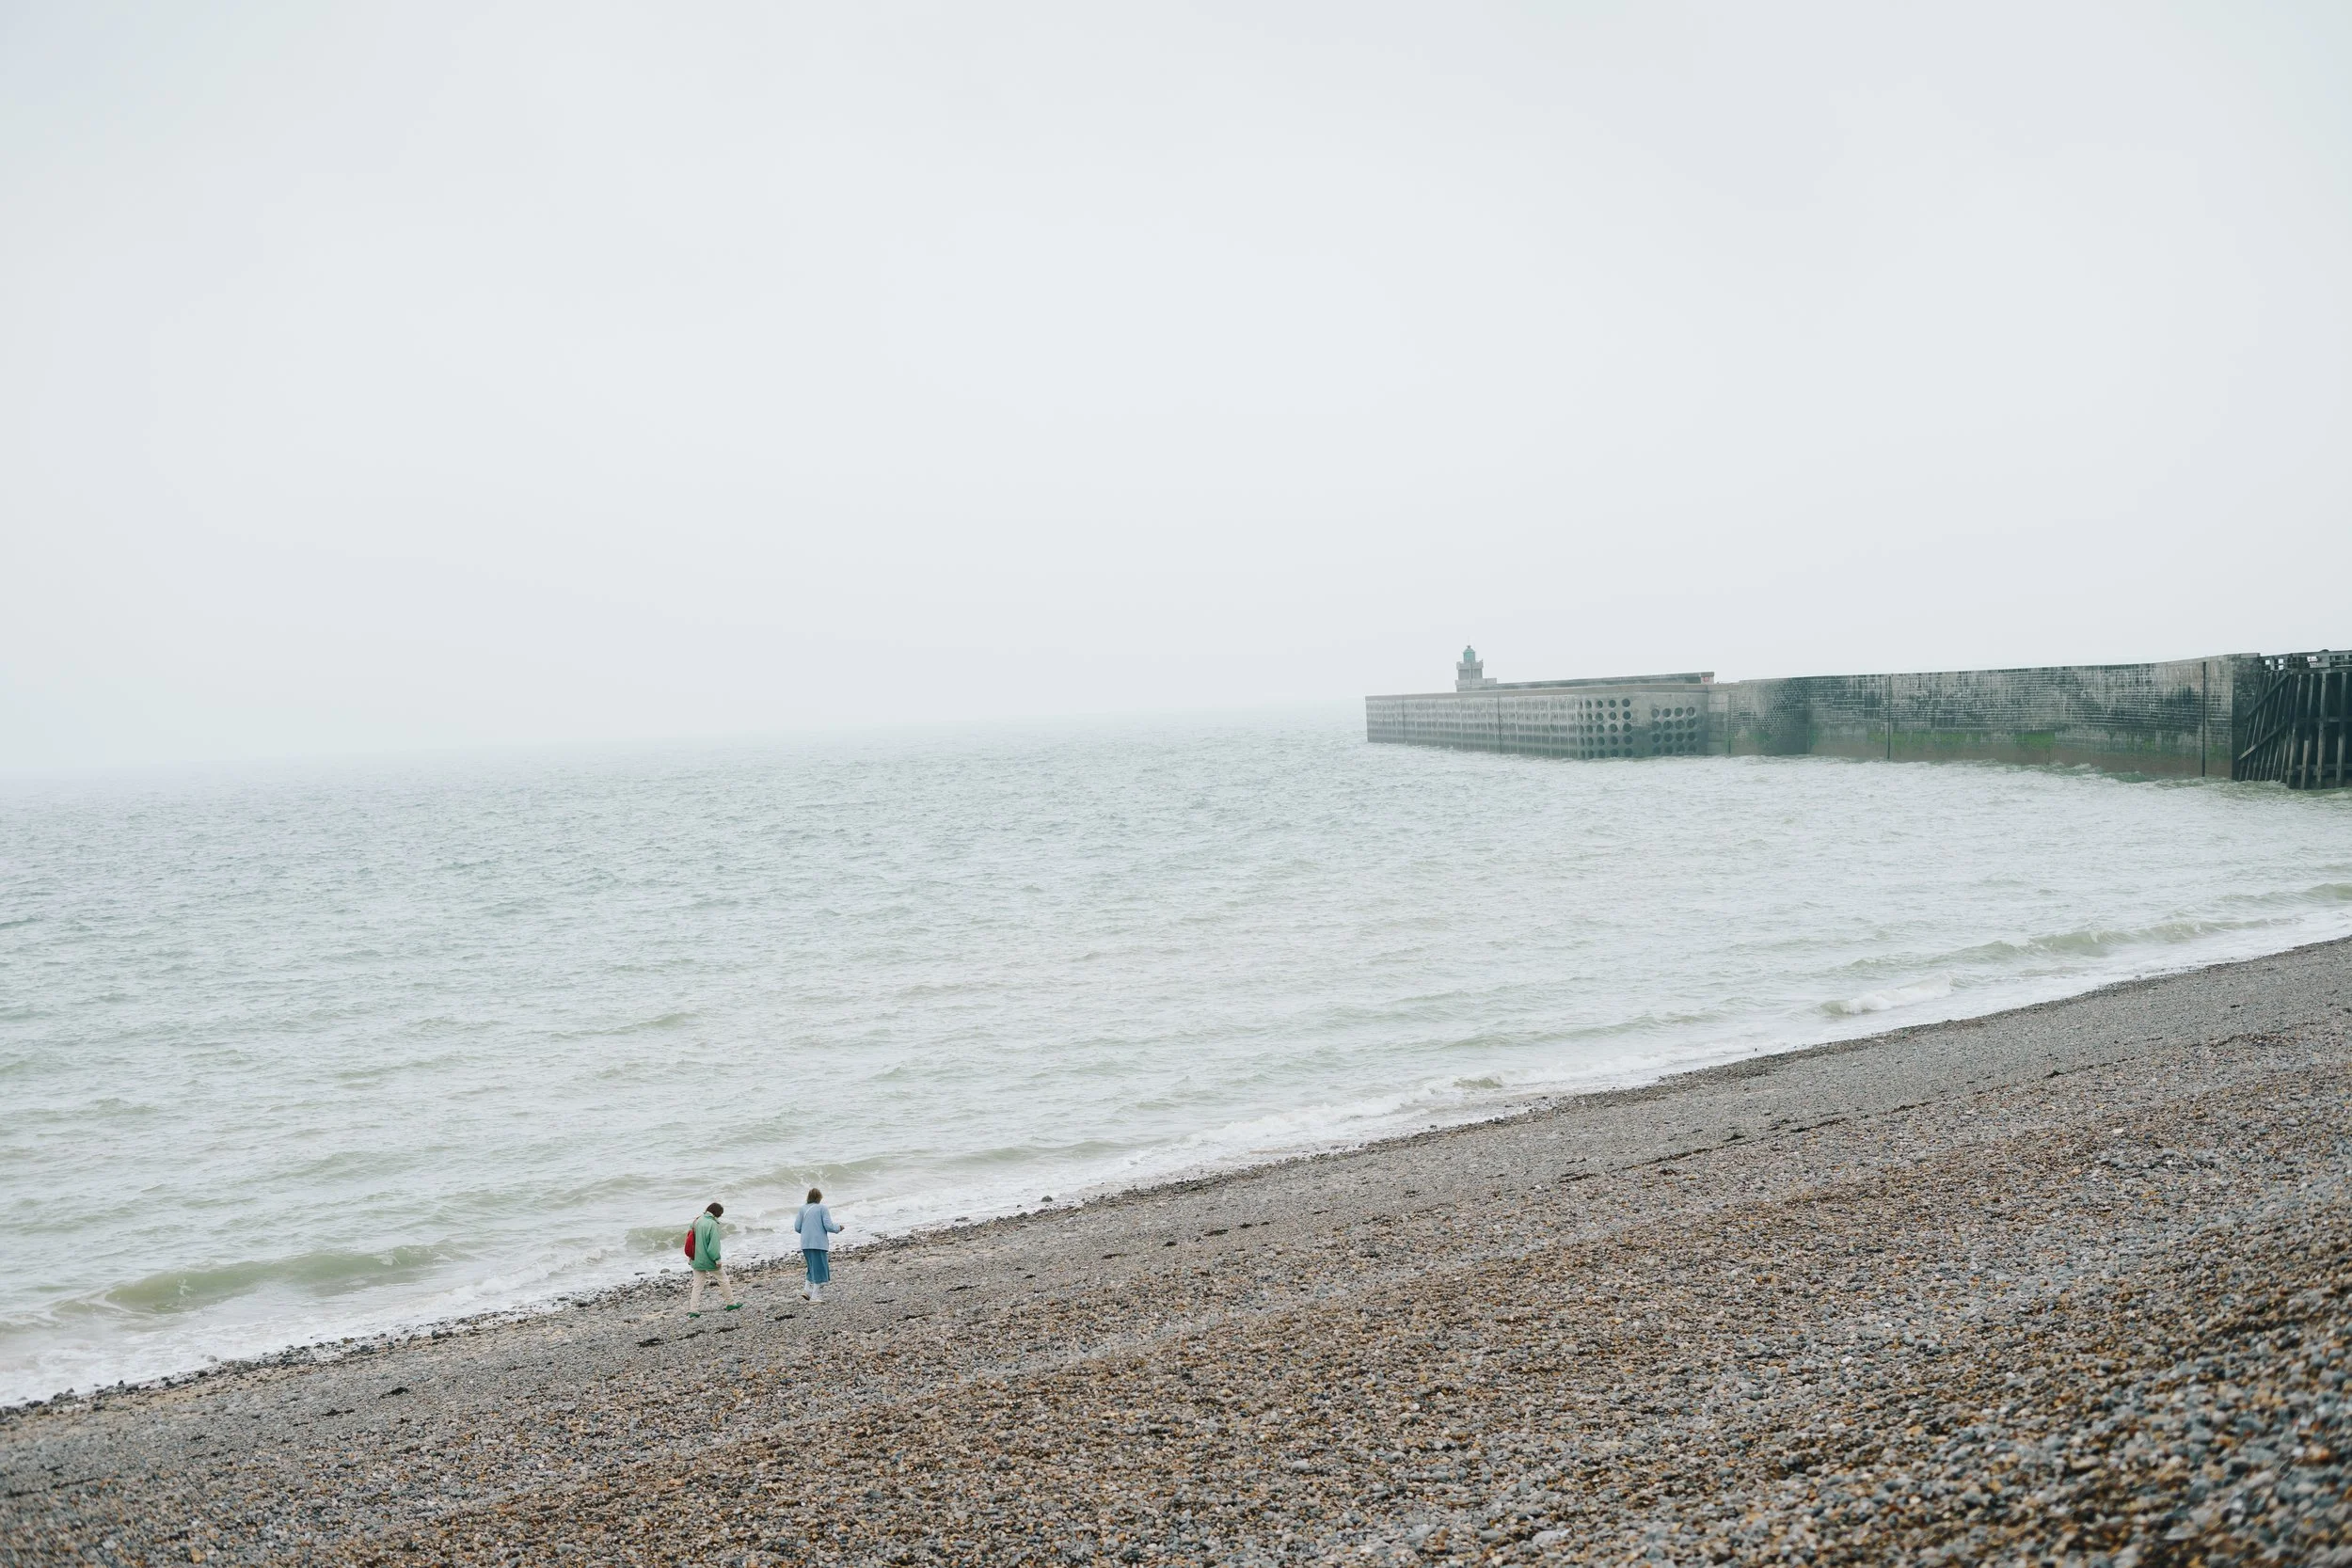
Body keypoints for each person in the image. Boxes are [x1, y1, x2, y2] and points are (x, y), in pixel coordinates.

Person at [687, 1201, 739, 1316]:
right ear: (718, 1213)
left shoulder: (697, 1220)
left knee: (697, 1285)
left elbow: (690, 1240)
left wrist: (690, 1256)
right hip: (709, 1260)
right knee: (723, 1279)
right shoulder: (712, 1224)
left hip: (696, 1258)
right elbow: (713, 1246)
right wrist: (717, 1259)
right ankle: (731, 1303)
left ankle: (693, 1310)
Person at [796, 1187, 842, 1302]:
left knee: (811, 1267)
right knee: (819, 1269)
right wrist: (838, 1228)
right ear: (819, 1197)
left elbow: (797, 1227)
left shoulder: (802, 1209)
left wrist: (808, 1230)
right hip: (818, 1243)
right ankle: (815, 1296)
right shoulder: (822, 1208)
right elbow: (828, 1226)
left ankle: (807, 1290)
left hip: (805, 1243)